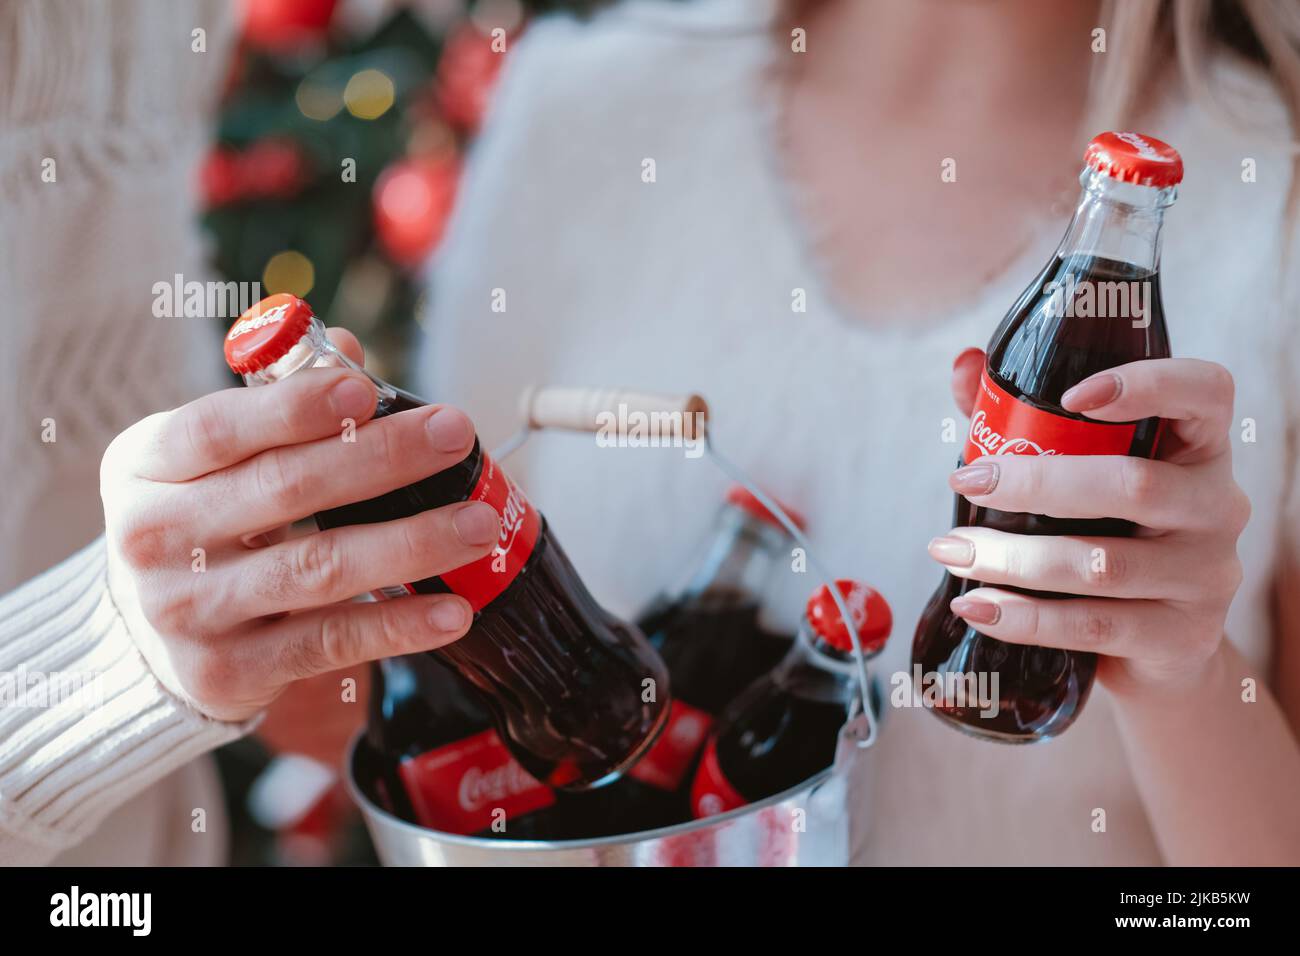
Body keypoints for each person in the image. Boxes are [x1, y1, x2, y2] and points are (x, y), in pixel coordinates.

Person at [2, 0, 1298, 867]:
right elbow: (405, 684)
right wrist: (201, 610)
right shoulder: (586, 113)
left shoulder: (1271, 215)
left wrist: (1179, 675)